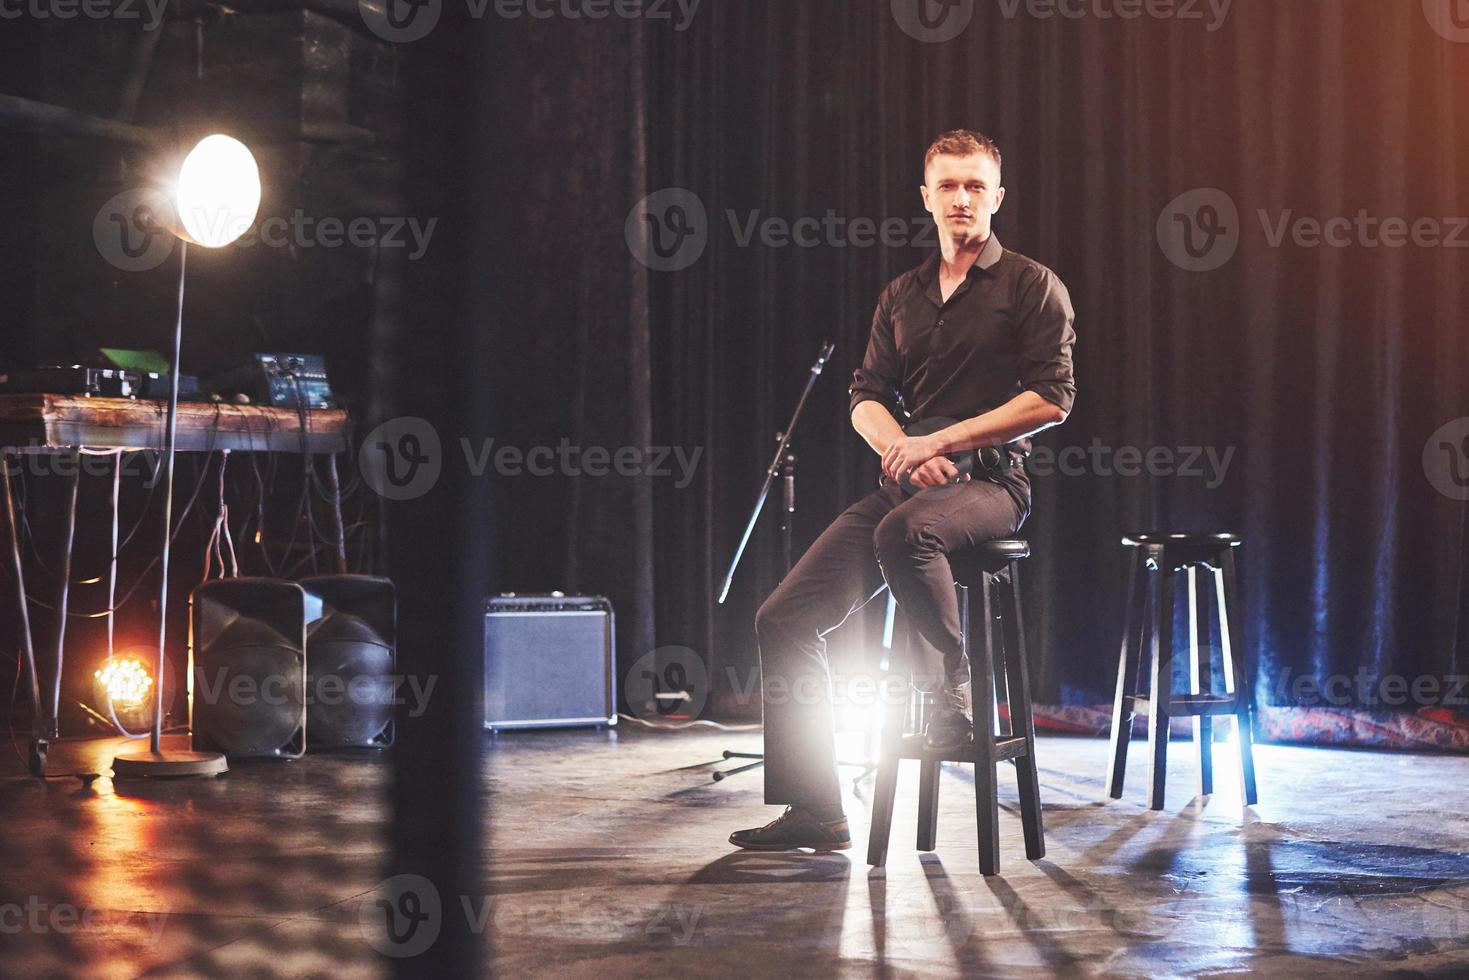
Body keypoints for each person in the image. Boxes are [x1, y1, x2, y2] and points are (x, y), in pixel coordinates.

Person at [729, 130, 1077, 852]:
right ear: (925, 197)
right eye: (947, 186)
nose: (960, 199)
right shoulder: (902, 295)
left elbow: (1052, 399)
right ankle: (815, 811)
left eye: (974, 186)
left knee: (906, 534)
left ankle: (950, 692)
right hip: (907, 484)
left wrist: (940, 442)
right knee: (782, 619)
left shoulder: (1030, 285)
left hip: (989, 486)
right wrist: (900, 447)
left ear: (996, 197)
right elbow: (862, 395)